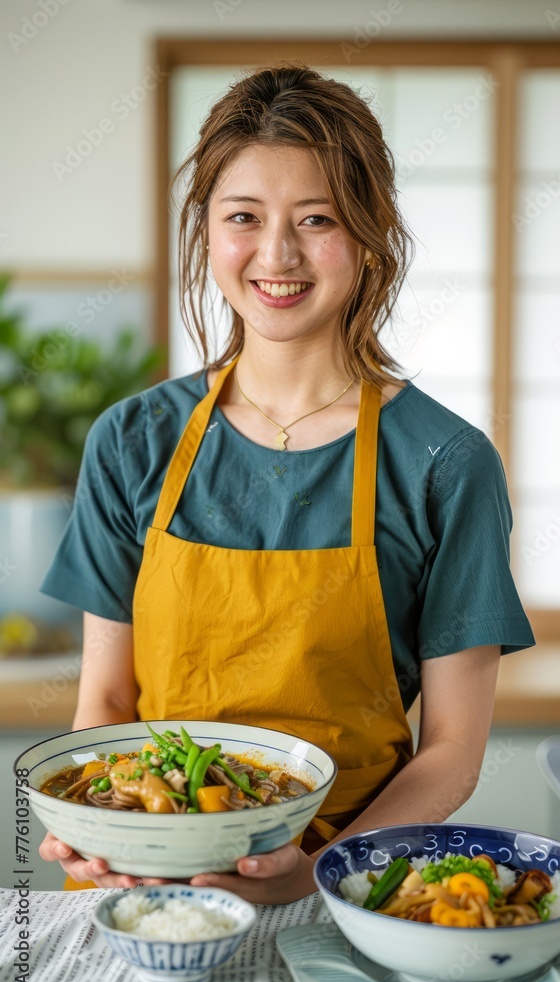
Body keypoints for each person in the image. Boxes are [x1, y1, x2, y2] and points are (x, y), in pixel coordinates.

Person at [38, 61, 535, 904]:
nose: (277, 254)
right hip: (150, 886)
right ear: (208, 231)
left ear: (372, 234)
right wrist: (102, 826)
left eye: (317, 219)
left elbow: (451, 748)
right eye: (244, 217)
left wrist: (311, 874)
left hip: (346, 891)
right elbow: (109, 698)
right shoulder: (131, 442)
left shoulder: (446, 463)